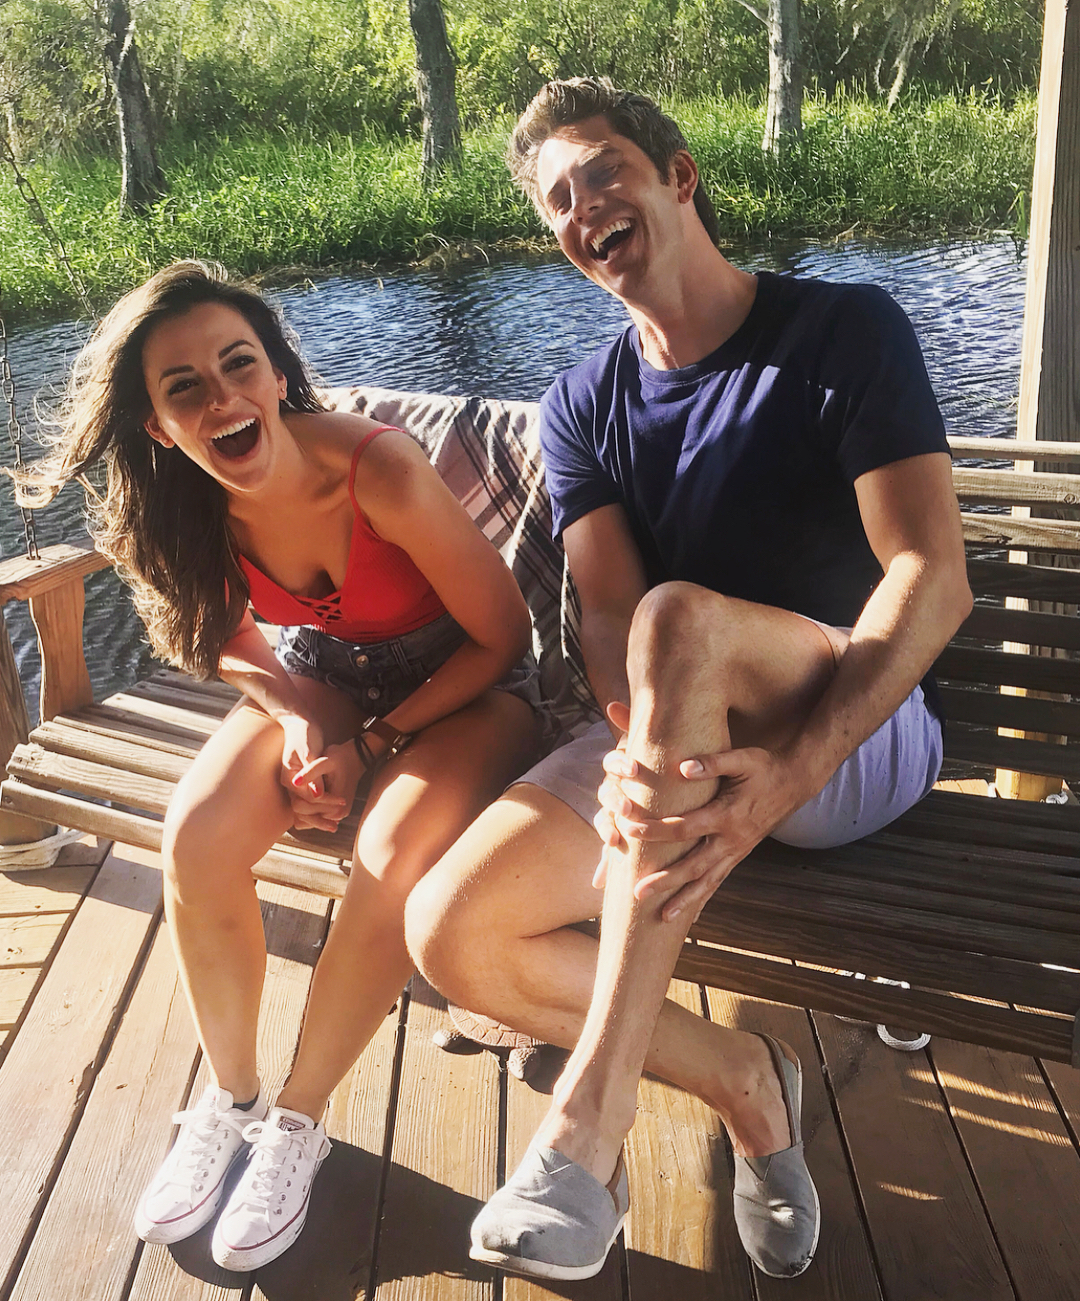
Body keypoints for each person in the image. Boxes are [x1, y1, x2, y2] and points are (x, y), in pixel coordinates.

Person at [405, 78, 972, 1282]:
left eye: (603, 171)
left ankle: (586, 1131)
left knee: (685, 619)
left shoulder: (843, 331)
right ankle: (748, 1082)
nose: (582, 207)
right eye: (557, 200)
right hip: (681, 737)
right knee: (451, 929)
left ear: (678, 175)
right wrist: (639, 748)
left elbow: (931, 577)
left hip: (856, 729)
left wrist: (785, 776)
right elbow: (607, 612)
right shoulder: (580, 404)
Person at [14, 261, 540, 1272]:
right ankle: (232, 1098)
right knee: (196, 835)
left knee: (389, 855)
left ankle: (297, 1122)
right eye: (185, 387)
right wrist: (299, 714)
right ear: (160, 426)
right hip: (327, 675)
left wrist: (371, 746)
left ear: (278, 375)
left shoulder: (379, 472)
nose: (221, 397)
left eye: (238, 364)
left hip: (471, 690)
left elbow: (503, 636)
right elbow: (213, 636)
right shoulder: (184, 502)